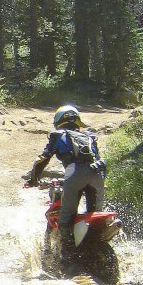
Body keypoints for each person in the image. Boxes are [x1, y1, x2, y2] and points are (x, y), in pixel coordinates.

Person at [22, 104, 107, 274]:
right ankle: (97, 248)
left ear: (59, 121)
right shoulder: (89, 137)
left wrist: (33, 179)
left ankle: (67, 261)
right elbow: (96, 159)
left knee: (65, 219)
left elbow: (42, 160)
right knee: (96, 217)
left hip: (75, 174)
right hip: (98, 175)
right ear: (77, 121)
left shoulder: (58, 135)